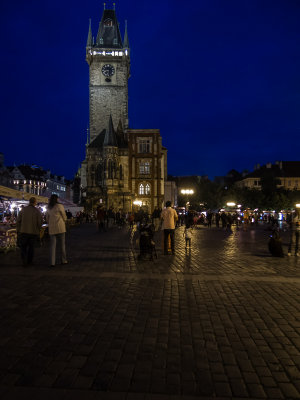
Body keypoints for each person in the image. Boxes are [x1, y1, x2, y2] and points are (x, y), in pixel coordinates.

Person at [16, 197, 43, 266]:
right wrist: (39, 230)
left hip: (23, 231)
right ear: (35, 202)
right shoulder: (37, 211)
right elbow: (39, 222)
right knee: (31, 248)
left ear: (29, 202)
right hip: (33, 232)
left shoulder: (23, 210)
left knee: (23, 247)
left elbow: (18, 221)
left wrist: (18, 230)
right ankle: (29, 261)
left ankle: (24, 260)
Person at [46, 194, 68, 267]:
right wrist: (64, 220)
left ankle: (52, 262)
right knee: (62, 245)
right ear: (57, 199)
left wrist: (50, 223)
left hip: (52, 228)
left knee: (52, 246)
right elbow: (64, 216)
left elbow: (47, 218)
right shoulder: (60, 206)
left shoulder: (48, 207)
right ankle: (63, 260)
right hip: (60, 227)